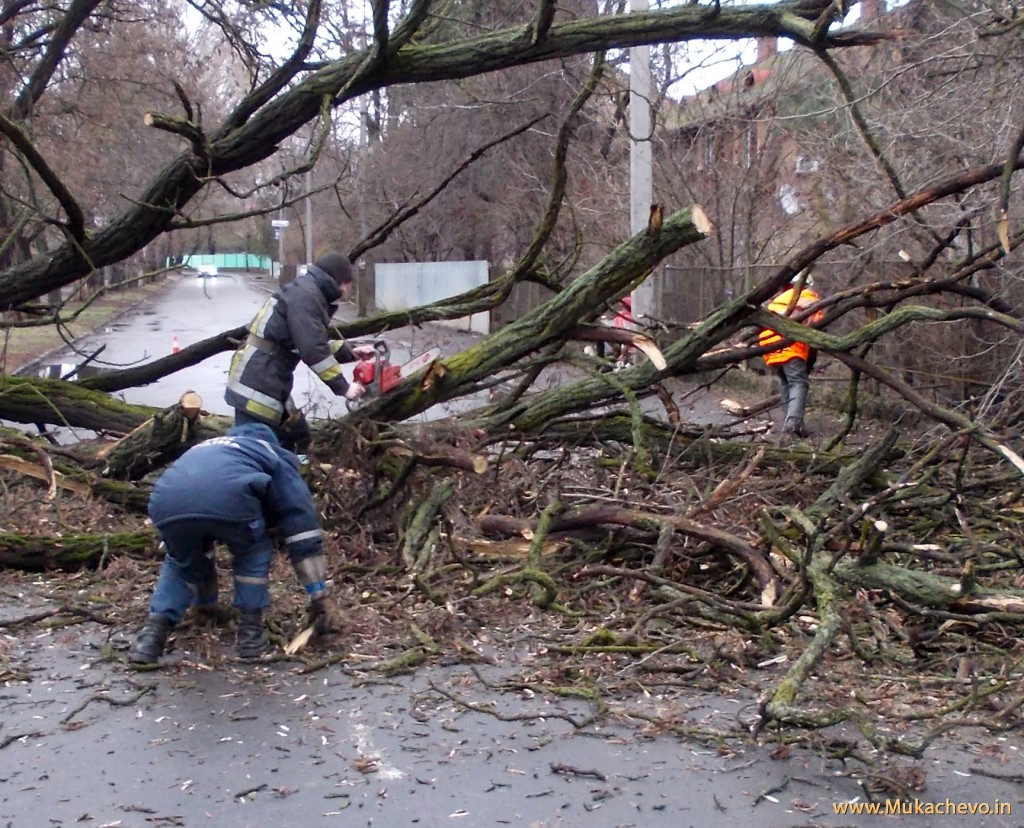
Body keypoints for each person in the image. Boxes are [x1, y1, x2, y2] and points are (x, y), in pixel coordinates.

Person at [129, 422, 345, 664]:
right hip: (231, 501)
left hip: (166, 501)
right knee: (252, 551)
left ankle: (151, 639)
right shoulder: (273, 454)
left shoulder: (207, 448)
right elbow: (302, 527)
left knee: (183, 562)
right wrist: (318, 594)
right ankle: (250, 636)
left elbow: (197, 492)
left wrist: (206, 607)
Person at [225, 250, 377, 452]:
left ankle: (297, 474)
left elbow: (306, 342)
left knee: (299, 437)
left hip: (264, 376)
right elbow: (313, 349)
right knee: (254, 450)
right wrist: (344, 388)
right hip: (257, 383)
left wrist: (350, 352)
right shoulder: (307, 297)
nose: (348, 291)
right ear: (338, 280)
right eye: (348, 284)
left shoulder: (306, 292)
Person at [758, 271, 824, 437]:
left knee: (785, 382)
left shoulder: (779, 300)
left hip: (768, 346)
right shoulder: (809, 297)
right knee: (797, 382)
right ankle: (793, 424)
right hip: (789, 345)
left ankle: (791, 424)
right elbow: (817, 324)